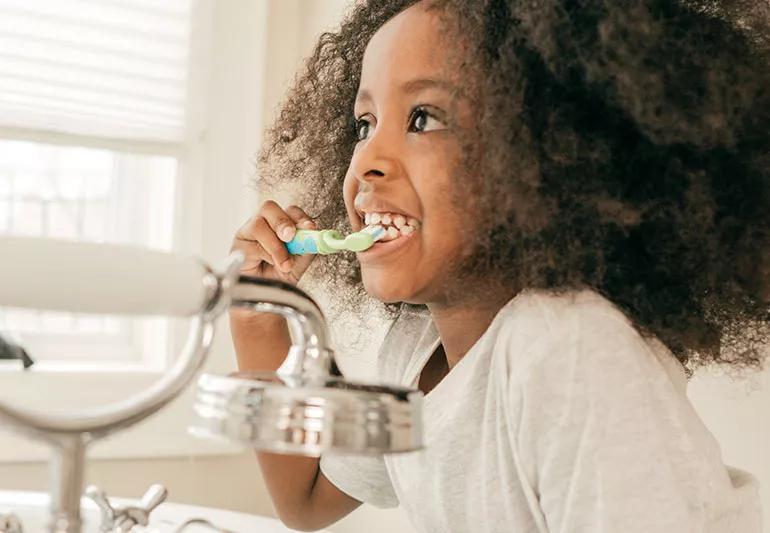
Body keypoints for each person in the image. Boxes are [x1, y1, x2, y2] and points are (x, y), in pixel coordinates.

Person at [229, 0, 770, 531]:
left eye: (424, 118)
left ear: (547, 155)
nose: (368, 160)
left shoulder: (566, 346)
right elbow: (307, 500)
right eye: (364, 123)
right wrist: (259, 321)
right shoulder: (413, 351)